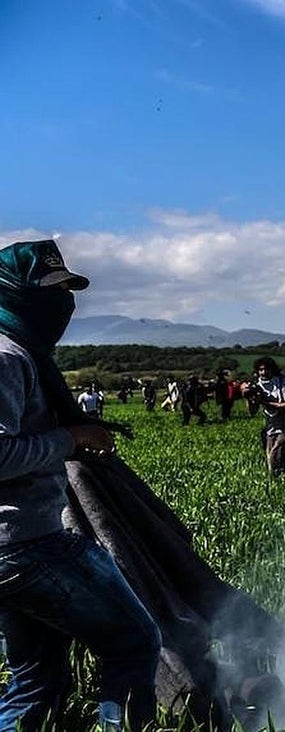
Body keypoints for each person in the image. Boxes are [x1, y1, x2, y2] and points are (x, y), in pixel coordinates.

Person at [0, 239, 161, 731]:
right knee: (134, 643)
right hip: (25, 545)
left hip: (13, 546)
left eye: (67, 289)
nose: (64, 303)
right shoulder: (8, 357)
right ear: (12, 292)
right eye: (51, 290)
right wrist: (71, 437)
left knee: (36, 676)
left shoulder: (21, 353)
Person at [245, 357, 285, 476]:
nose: (263, 372)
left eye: (266, 369)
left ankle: (279, 479)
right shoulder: (257, 385)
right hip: (271, 427)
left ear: (272, 369)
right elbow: (252, 412)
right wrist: (249, 398)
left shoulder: (283, 382)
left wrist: (265, 402)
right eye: (260, 370)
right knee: (271, 459)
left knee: (275, 456)